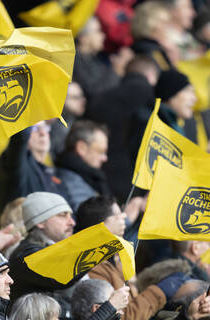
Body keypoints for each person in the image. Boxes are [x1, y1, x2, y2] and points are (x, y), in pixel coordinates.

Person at [76, 196, 188, 320]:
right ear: (101, 225)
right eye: (117, 215)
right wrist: (159, 292)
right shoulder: (91, 267)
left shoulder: (117, 257)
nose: (124, 217)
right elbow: (124, 317)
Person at [86, 55, 159, 201]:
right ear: (151, 75)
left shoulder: (103, 95)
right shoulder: (150, 98)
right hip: (133, 175)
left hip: (102, 168)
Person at [9, 192, 78, 317]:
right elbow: (62, 274)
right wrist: (102, 243)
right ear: (40, 222)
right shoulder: (26, 254)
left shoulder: (45, 249)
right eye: (63, 215)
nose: (72, 222)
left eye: (70, 216)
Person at [0, 121, 67, 216]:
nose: (43, 133)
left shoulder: (51, 172)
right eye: (35, 128)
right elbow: (20, 138)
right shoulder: (15, 166)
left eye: (45, 128)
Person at [55, 120, 110, 212]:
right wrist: (128, 217)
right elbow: (94, 221)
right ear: (81, 148)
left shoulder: (88, 178)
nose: (105, 158)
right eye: (100, 151)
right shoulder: (70, 181)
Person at [73, 16, 120, 100]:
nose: (103, 36)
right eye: (98, 31)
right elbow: (93, 92)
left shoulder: (96, 59)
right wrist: (117, 70)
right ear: (83, 38)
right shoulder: (73, 62)